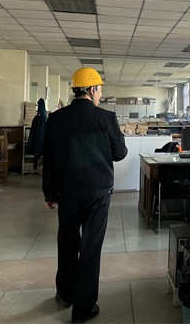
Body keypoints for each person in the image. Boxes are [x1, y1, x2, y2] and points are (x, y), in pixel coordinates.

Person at [42, 67, 128, 323]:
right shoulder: (106, 118)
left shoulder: (56, 119)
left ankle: (65, 293)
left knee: (67, 242)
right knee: (91, 247)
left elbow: (49, 159)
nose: (100, 95)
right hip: (98, 192)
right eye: (99, 90)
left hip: (67, 191)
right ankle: (83, 309)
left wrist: (49, 193)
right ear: (91, 90)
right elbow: (120, 153)